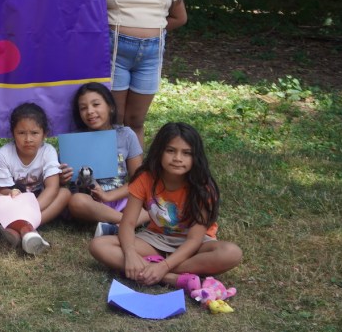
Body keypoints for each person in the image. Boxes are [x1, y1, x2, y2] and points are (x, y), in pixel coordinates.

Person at [89, 122, 243, 286]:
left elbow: (194, 240)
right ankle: (172, 279)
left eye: (186, 153)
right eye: (170, 151)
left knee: (231, 253)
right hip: (156, 239)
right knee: (99, 245)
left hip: (195, 245)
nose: (177, 158)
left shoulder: (203, 188)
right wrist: (130, 253)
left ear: (195, 157)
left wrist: (164, 266)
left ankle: (154, 270)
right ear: (159, 151)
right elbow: (127, 224)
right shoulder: (145, 179)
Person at [104, 0, 187, 141]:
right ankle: (112, 172)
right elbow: (91, 18)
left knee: (136, 120)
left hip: (150, 56)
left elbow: (180, 17)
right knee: (115, 119)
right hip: (115, 53)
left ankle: (136, 171)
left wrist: (152, 28)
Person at [0, 103, 70, 255]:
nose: (28, 139)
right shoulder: (4, 154)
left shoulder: (48, 151)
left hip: (38, 201)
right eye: (21, 133)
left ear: (45, 134)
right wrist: (11, 194)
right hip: (11, 201)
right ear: (12, 133)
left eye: (34, 133)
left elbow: (52, 187)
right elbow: (2, 189)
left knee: (65, 194)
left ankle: (21, 227)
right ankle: (28, 231)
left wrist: (30, 210)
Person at [63, 82, 148, 235]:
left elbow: (139, 179)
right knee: (76, 202)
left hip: (120, 197)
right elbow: (62, 181)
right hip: (90, 202)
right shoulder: (74, 141)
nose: (90, 111)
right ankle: (124, 223)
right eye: (83, 108)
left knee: (150, 202)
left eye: (96, 104)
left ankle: (115, 226)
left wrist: (109, 195)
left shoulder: (126, 135)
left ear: (111, 107)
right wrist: (63, 177)